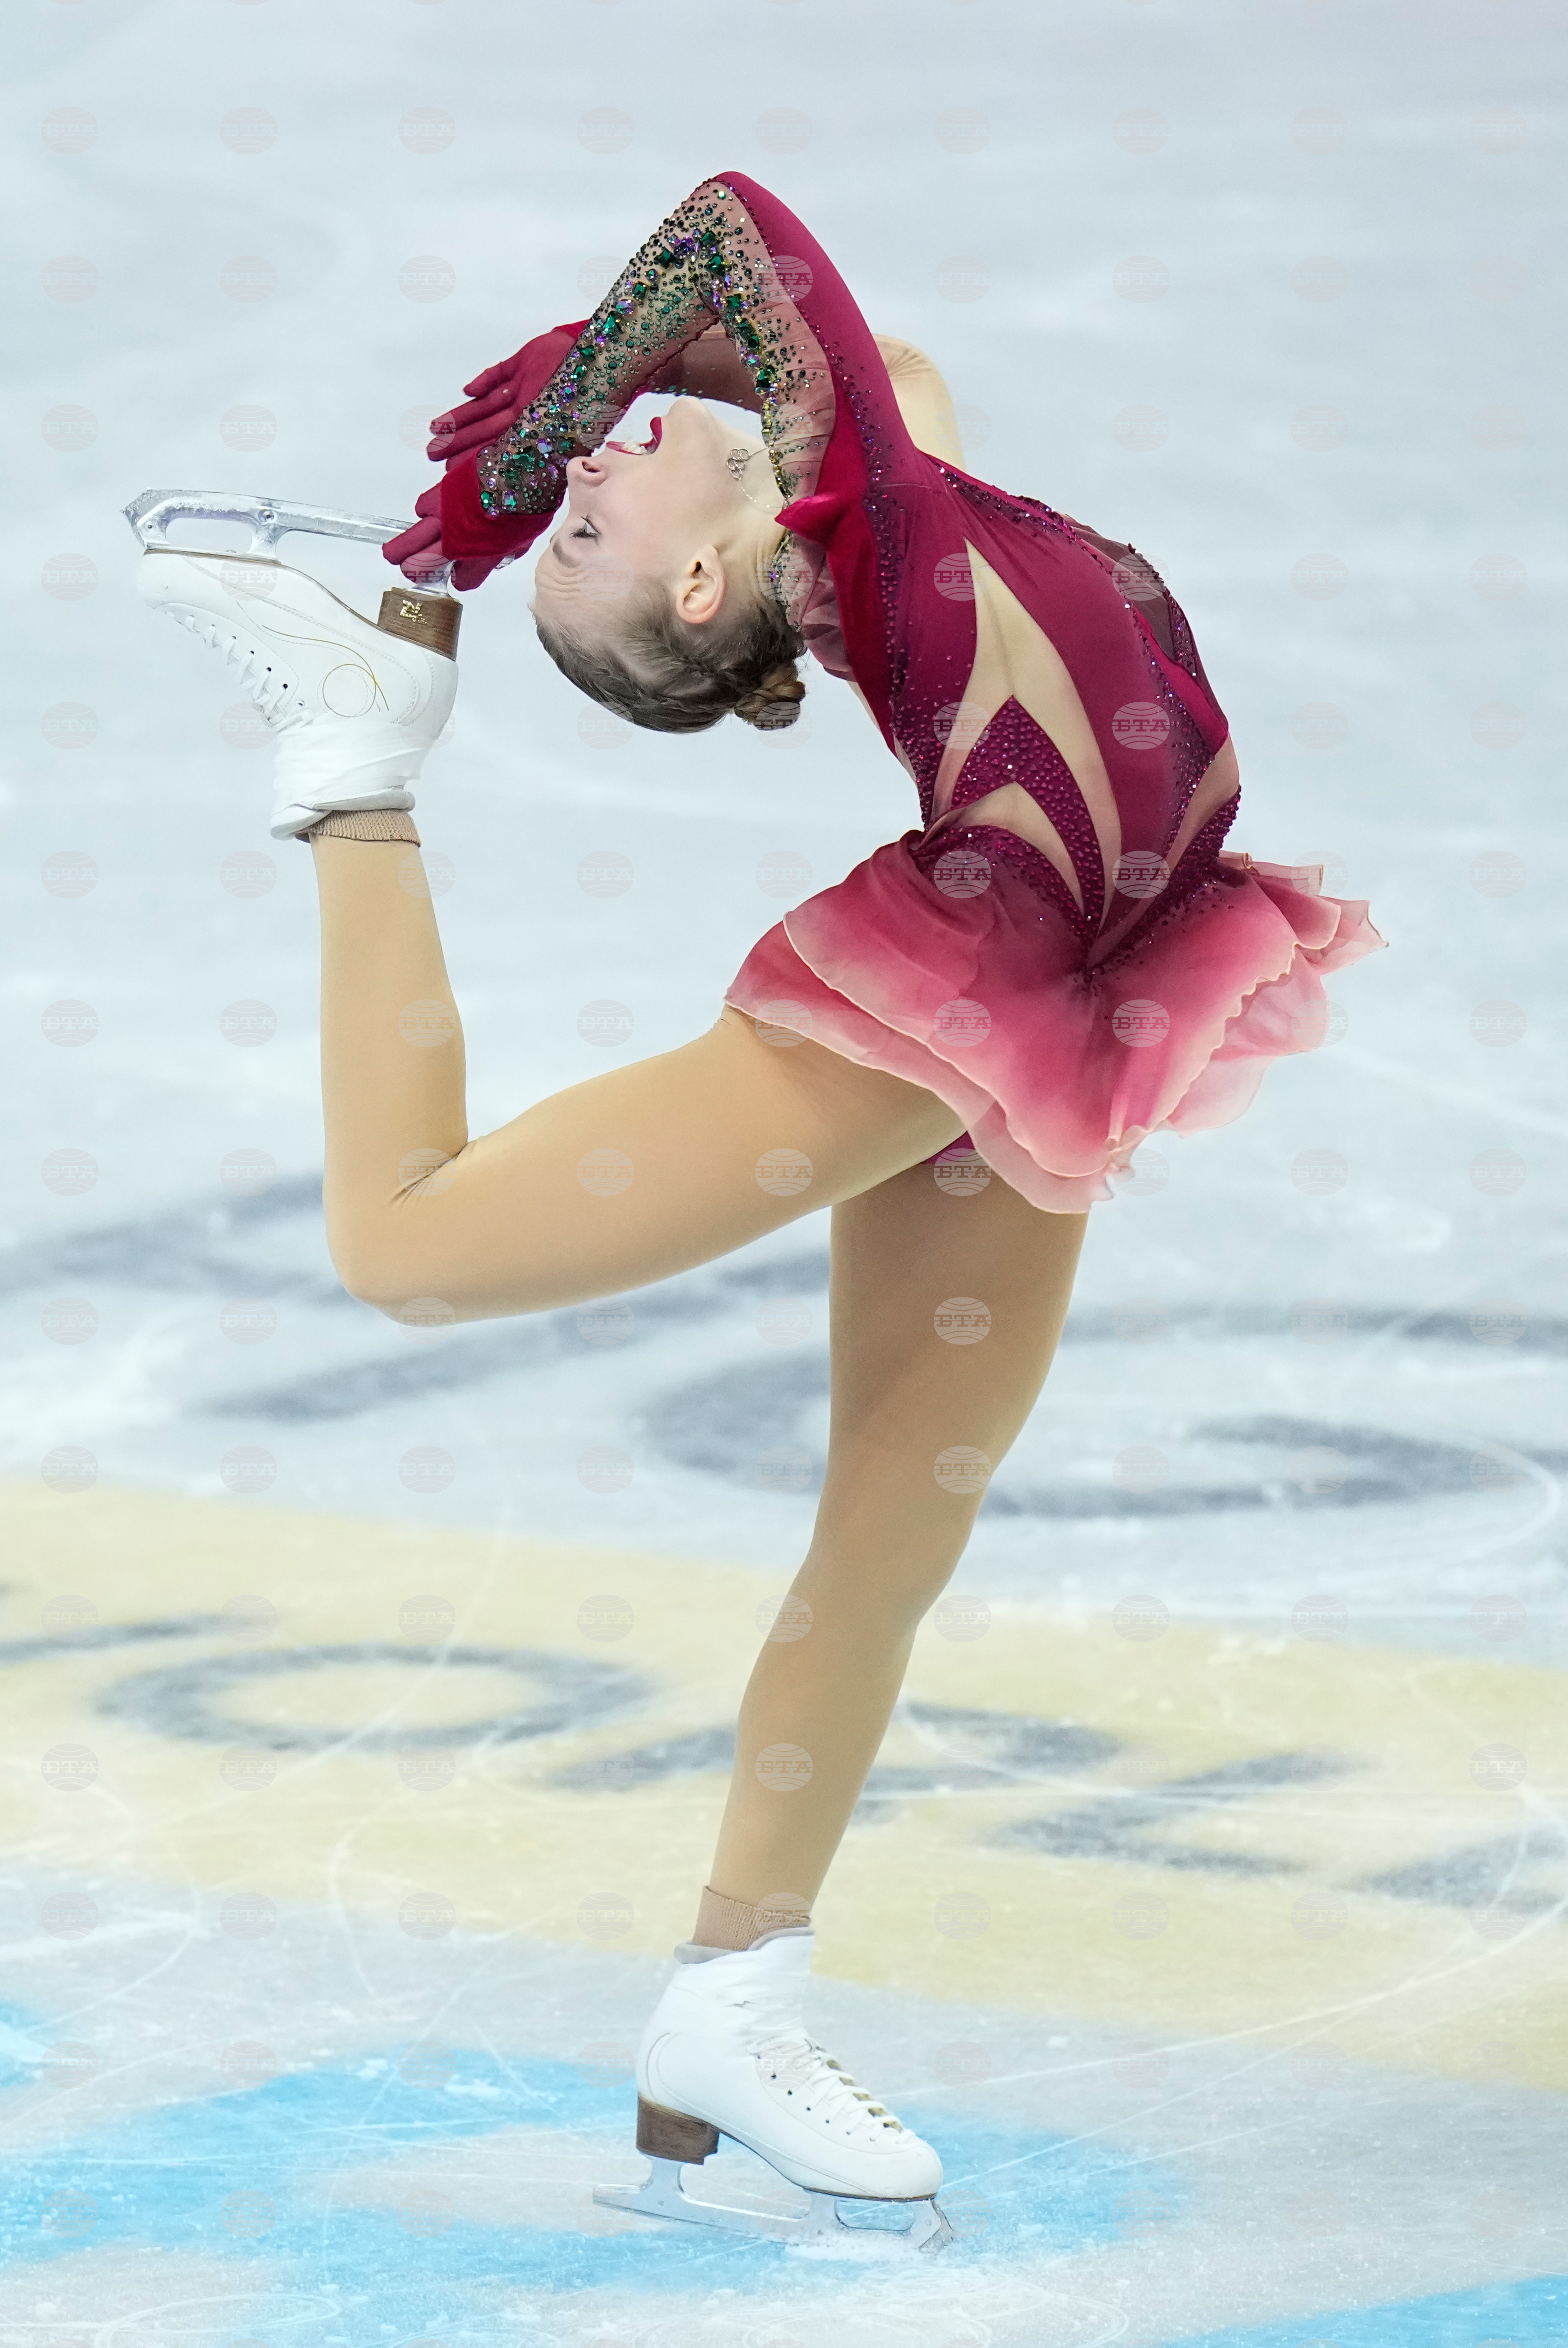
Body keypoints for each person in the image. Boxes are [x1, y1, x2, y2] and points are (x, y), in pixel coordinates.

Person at [131, 167, 1382, 2249]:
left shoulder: (893, 480)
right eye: (599, 527)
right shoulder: (879, 537)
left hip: (1075, 981)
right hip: (971, 976)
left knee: (895, 1518)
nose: (594, 475)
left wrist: (614, 409)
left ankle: (730, 1998)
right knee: (407, 1243)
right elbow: (730, 238)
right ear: (717, 588)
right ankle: (355, 761)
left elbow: (827, 354)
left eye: (581, 501)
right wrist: (457, 534)